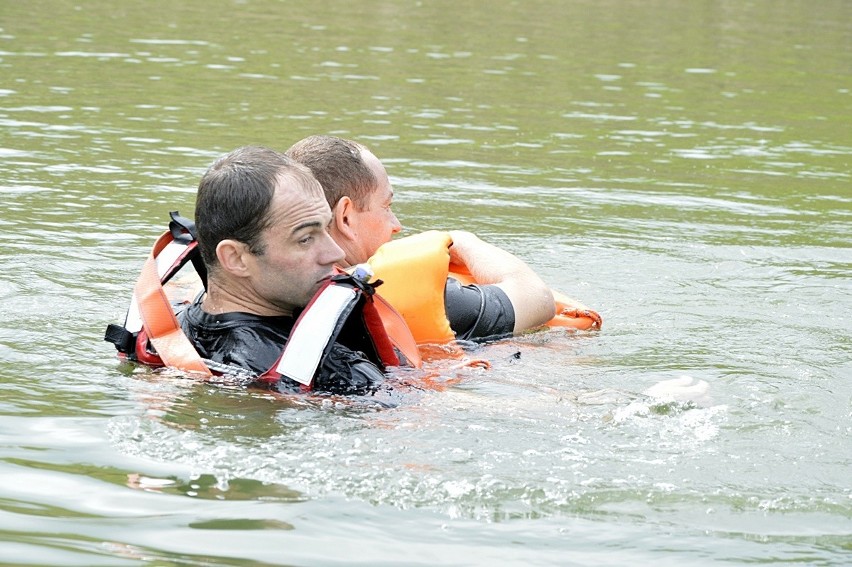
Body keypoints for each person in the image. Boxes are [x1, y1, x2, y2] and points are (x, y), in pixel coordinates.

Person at [285, 135, 557, 343]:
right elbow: (539, 300)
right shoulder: (418, 293)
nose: (397, 225)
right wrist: (462, 240)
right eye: (387, 206)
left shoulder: (270, 293)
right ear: (346, 217)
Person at [178, 145, 397, 395]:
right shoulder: (339, 373)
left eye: (326, 228)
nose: (336, 254)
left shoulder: (163, 336)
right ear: (235, 258)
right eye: (305, 239)